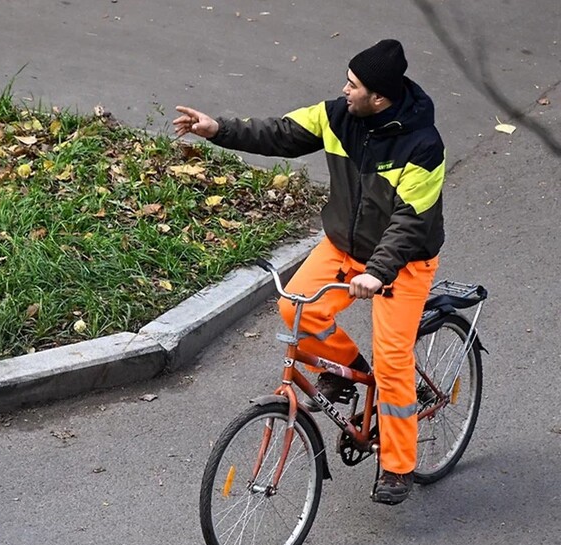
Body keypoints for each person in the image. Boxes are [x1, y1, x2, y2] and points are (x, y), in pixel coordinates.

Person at [173, 39, 445, 505]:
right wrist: (217, 129)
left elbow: (409, 223)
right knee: (294, 308)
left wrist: (377, 273)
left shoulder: (422, 145)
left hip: (401, 262)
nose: (344, 89)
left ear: (379, 97)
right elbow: (279, 133)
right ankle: (349, 373)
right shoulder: (338, 115)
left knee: (394, 359)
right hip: (342, 247)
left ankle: (399, 465)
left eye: (353, 84)